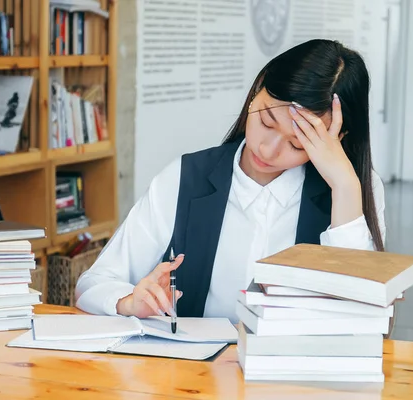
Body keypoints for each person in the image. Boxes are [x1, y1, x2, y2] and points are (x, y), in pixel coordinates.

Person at [75, 39, 386, 324]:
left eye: (298, 143)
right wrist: (130, 302)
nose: (268, 149)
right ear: (255, 94)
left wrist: (345, 188)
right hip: (195, 379)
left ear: (336, 138)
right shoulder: (186, 177)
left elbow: (362, 317)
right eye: (266, 120)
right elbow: (93, 283)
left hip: (302, 378)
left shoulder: (354, 190)